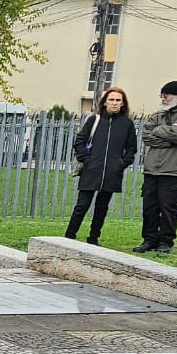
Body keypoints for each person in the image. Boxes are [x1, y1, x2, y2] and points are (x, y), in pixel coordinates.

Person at [135, 79, 177, 254]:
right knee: (149, 207)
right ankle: (149, 239)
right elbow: (146, 136)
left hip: (174, 170)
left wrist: (160, 131)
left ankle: (166, 241)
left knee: (168, 207)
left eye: (166, 95)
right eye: (162, 95)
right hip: (152, 169)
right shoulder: (158, 115)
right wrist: (169, 135)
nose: (163, 98)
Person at [66, 87, 138, 243]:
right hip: (91, 170)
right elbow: (80, 141)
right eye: (111, 99)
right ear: (105, 102)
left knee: (101, 207)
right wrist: (87, 160)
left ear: (123, 103)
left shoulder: (127, 124)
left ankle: (93, 238)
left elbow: (132, 149)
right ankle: (69, 236)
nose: (114, 103)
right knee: (82, 205)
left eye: (118, 100)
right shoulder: (94, 120)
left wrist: (121, 164)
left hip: (112, 173)